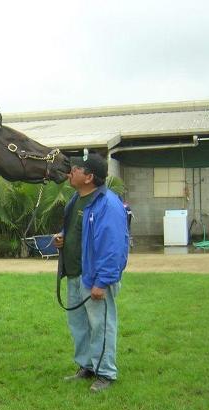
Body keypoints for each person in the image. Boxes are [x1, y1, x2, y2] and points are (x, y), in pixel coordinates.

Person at [54, 152, 128, 393]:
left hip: (95, 279)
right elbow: (79, 230)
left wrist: (103, 282)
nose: (70, 171)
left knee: (101, 325)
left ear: (89, 177)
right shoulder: (76, 199)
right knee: (80, 325)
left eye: (76, 169)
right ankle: (87, 366)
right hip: (75, 274)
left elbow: (113, 247)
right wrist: (62, 238)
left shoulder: (108, 204)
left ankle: (105, 373)